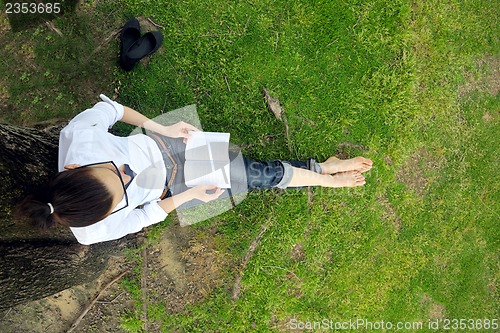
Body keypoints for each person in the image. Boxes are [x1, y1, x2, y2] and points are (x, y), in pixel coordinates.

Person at [18, 95, 373, 245]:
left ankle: (323, 172)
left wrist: (163, 128)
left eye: (118, 171)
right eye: (123, 192)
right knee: (255, 176)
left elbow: (114, 110)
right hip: (174, 188)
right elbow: (143, 217)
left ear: (77, 167)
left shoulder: (79, 139)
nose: (129, 177)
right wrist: (189, 195)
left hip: (167, 144)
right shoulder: (90, 232)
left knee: (253, 173)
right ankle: (325, 176)